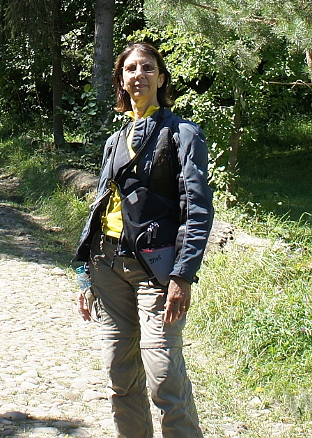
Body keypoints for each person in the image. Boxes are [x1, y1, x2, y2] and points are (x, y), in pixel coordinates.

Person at [74, 41, 213, 438]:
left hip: (156, 273)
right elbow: (100, 209)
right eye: (131, 69)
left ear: (161, 77)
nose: (139, 75)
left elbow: (197, 209)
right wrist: (84, 275)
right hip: (107, 266)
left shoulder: (183, 134)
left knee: (164, 378)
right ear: (121, 80)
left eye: (147, 68)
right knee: (121, 377)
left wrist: (183, 275)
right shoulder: (115, 141)